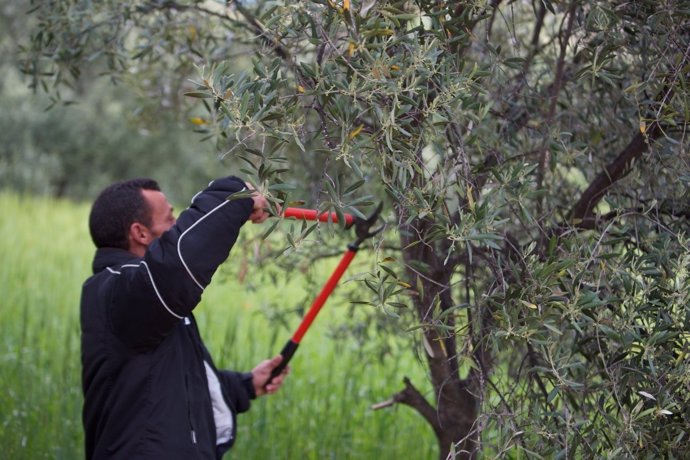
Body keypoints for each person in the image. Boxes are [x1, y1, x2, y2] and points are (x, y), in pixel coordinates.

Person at [80, 176, 288, 459]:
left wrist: (245, 385)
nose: (176, 226)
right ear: (140, 233)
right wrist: (234, 196)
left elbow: (173, 384)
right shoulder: (118, 292)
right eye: (170, 218)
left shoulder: (146, 300)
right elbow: (176, 264)